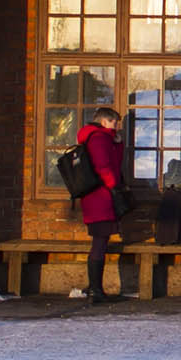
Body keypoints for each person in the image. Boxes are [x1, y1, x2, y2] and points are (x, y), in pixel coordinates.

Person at [74, 107, 127, 302]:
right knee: (100, 241)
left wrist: (118, 145)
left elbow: (114, 161)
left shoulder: (100, 138)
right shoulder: (98, 138)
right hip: (101, 197)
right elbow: (104, 166)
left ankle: (94, 287)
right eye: (114, 123)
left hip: (97, 196)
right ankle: (95, 290)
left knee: (100, 240)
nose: (116, 127)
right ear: (104, 121)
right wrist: (113, 186)